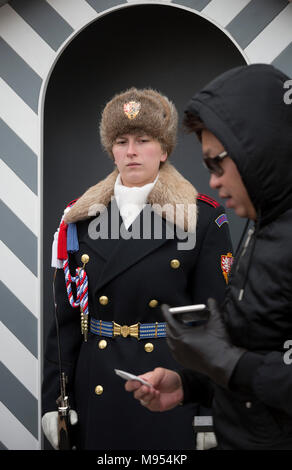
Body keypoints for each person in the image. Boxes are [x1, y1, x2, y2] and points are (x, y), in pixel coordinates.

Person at [41, 87, 232, 450]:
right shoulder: (78, 218)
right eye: (121, 141)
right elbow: (64, 321)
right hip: (97, 386)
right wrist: (56, 398)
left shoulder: (202, 218)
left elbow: (215, 325)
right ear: (111, 150)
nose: (131, 151)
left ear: (164, 150)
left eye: (143, 140)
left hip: (168, 387)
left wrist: (208, 410)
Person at [125, 64, 292, 450]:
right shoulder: (260, 222)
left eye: (218, 163)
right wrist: (190, 383)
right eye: (206, 166)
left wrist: (226, 363)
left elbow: (248, 366)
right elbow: (257, 349)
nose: (213, 181)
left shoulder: (210, 218)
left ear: (259, 149)